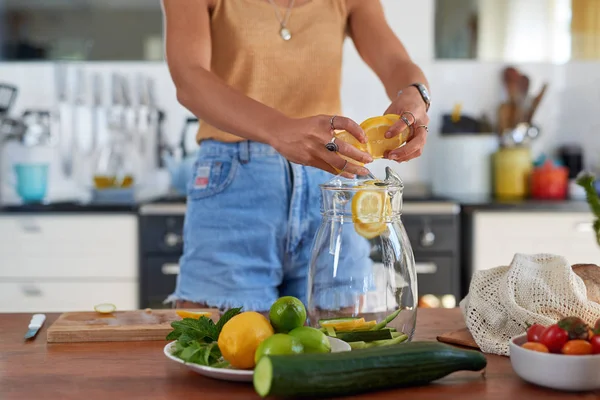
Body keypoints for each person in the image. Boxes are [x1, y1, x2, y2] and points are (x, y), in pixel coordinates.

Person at [161, 0, 431, 313]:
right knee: (216, 348)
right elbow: (189, 79)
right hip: (233, 186)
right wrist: (279, 129)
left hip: (330, 186)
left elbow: (396, 63)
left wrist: (416, 93)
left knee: (337, 349)